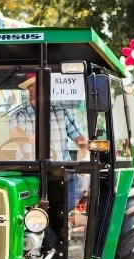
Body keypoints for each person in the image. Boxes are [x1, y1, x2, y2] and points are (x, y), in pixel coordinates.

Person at [10, 73, 89, 209]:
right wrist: (28, 137)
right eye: (41, 86)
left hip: (60, 172)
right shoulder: (19, 114)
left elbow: (81, 140)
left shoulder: (62, 113)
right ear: (31, 90)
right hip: (28, 172)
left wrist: (86, 156)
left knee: (84, 180)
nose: (47, 90)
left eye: (47, 86)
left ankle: (63, 219)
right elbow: (15, 132)